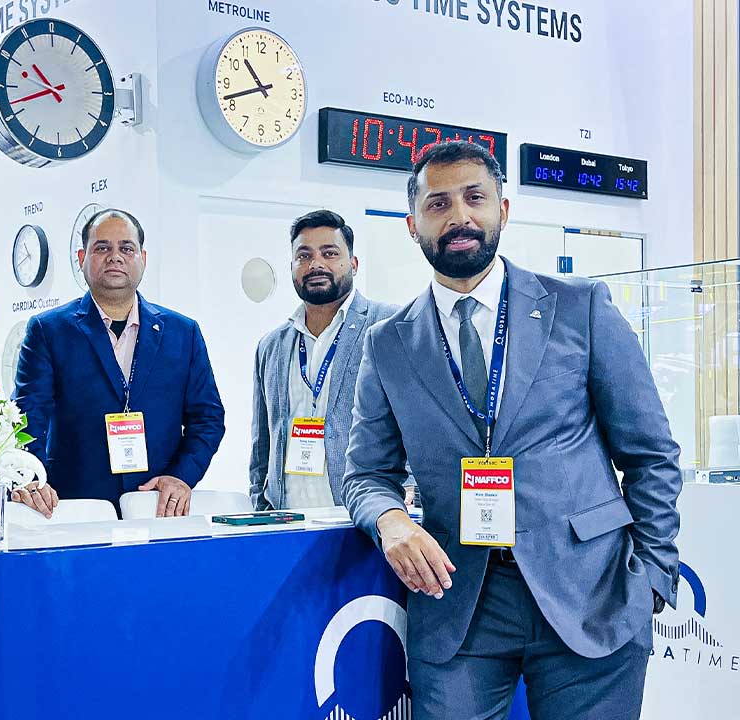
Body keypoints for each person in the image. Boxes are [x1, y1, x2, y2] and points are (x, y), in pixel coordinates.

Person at [341, 141, 682, 719]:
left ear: (503, 209)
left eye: (475, 198)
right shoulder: (389, 343)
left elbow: (650, 453)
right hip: (458, 600)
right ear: (412, 224)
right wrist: (390, 519)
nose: (459, 216)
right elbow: (366, 474)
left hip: (592, 590)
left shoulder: (580, 307)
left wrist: (651, 575)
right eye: (438, 203)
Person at [13, 208, 225, 516]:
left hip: (158, 507)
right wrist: (33, 480)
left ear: (143, 258)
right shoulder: (48, 330)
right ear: (82, 258)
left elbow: (208, 417)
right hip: (74, 510)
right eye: (102, 248)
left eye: (126, 248)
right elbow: (26, 417)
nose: (115, 257)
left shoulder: (183, 332)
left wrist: (182, 476)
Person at [249, 210, 398, 510]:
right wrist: (260, 503)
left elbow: (417, 422)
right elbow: (262, 440)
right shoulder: (272, 345)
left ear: (353, 264)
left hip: (363, 518)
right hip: (287, 519)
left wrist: (406, 495)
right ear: (291, 267)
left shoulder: (388, 326)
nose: (315, 264)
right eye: (304, 256)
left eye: (329, 253)